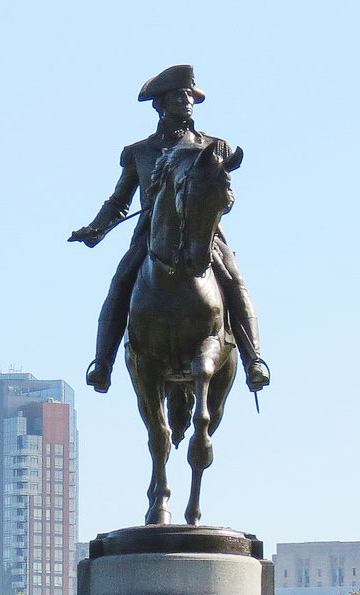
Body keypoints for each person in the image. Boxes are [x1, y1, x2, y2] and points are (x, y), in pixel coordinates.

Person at [68, 63, 271, 394]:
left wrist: (215, 202)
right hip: (151, 236)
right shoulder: (140, 152)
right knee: (120, 284)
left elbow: (226, 196)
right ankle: (102, 363)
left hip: (203, 235)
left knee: (235, 283)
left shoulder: (214, 147)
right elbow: (120, 200)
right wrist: (96, 228)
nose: (187, 102)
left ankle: (254, 361)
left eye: (190, 96)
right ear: (160, 104)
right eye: (179, 96)